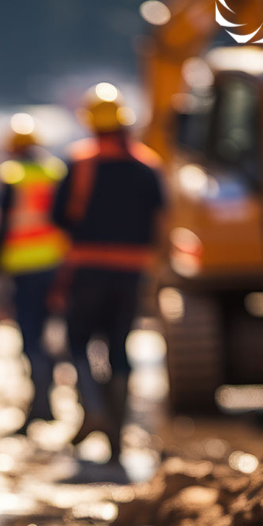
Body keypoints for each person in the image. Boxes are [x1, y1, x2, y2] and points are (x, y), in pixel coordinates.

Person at [52, 84, 164, 484]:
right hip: (130, 273)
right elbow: (159, 215)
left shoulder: (80, 162)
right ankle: (116, 441)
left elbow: (60, 217)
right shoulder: (147, 165)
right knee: (119, 349)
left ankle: (93, 405)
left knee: (79, 343)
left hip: (87, 270)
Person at [0, 116, 68, 431]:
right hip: (55, 263)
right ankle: (48, 403)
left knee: (30, 337)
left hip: (23, 267)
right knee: (52, 336)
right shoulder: (56, 172)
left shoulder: (12, 175)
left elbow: (3, 226)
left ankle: (40, 404)